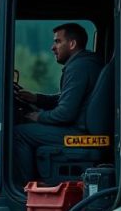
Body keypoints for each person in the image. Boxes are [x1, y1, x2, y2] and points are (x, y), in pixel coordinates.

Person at [13, 23, 101, 185]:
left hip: (79, 133)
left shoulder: (77, 67)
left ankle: (24, 189)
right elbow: (68, 98)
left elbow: (65, 113)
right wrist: (37, 99)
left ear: (72, 44)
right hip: (83, 128)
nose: (52, 47)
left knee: (19, 133)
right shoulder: (88, 63)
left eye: (58, 42)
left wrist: (38, 117)